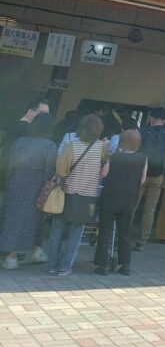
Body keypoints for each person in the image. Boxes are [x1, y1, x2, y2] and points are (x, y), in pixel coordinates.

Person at [47, 114, 107, 276]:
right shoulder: (101, 148)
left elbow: (61, 170)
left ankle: (52, 265)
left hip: (67, 192)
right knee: (76, 232)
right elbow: (105, 167)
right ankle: (65, 267)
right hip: (87, 197)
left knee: (57, 229)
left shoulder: (72, 146)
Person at [1, 113, 56, 269]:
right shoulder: (50, 146)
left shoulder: (20, 142)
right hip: (37, 185)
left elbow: (11, 164)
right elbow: (49, 171)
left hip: (16, 183)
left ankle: (12, 257)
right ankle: (32, 252)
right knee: (35, 220)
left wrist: (10, 181)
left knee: (12, 219)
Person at [94, 129, 146, 275]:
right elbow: (142, 179)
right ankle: (125, 264)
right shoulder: (142, 157)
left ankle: (103, 265)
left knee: (105, 230)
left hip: (110, 198)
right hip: (129, 199)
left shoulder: (114, 157)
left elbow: (103, 174)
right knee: (125, 232)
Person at [134, 108, 165, 250]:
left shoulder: (143, 131)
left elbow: (135, 151)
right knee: (149, 210)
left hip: (139, 174)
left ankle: (123, 235)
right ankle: (142, 241)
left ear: (151, 117)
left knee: (133, 205)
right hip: (157, 176)